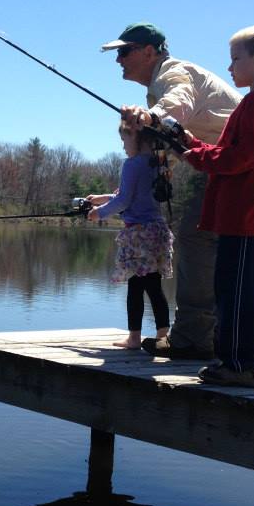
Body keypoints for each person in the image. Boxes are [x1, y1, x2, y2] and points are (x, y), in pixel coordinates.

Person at [102, 22, 241, 359]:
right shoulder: (157, 86)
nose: (118, 60)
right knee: (209, 244)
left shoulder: (173, 73)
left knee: (196, 237)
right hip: (228, 168)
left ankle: (194, 338)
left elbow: (179, 102)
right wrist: (115, 197)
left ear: (150, 51)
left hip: (232, 167)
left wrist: (152, 116)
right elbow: (169, 150)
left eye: (125, 51)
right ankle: (215, 335)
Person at [180, 25, 254, 388]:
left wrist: (196, 155)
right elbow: (233, 152)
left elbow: (245, 158)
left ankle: (241, 366)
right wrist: (191, 143)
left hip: (244, 215)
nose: (229, 68)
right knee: (243, 291)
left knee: (235, 293)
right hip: (245, 216)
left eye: (235, 59)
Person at [86, 121, 174, 349]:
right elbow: (135, 195)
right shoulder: (159, 162)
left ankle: (134, 338)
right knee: (154, 286)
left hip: (138, 234)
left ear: (138, 138)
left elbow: (125, 200)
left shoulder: (132, 164)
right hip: (157, 231)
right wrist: (103, 197)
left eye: (125, 140)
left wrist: (100, 213)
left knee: (135, 286)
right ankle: (163, 335)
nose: (123, 146)